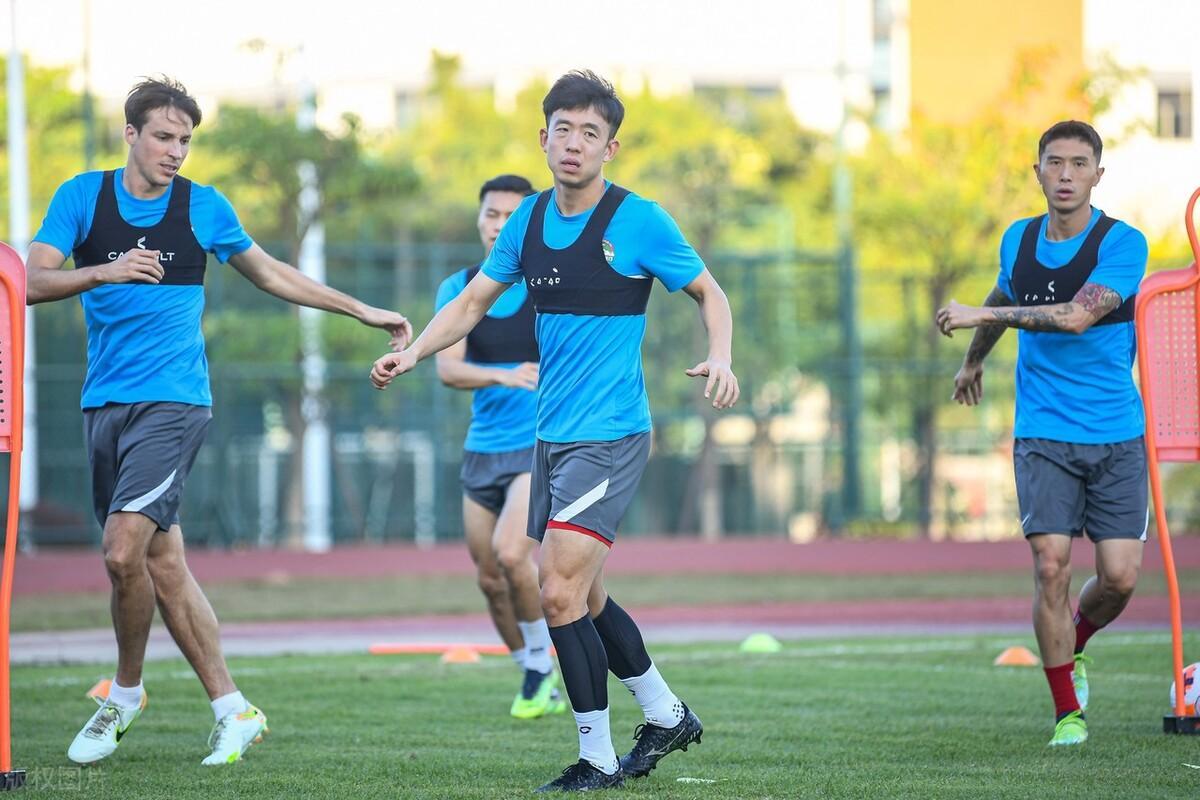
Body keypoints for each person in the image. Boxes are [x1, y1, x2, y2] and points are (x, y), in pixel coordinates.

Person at [26, 77, 412, 766]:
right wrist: (103, 271)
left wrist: (362, 310)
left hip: (175, 403)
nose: (176, 151)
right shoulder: (82, 197)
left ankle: (124, 692)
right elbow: (29, 281)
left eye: (185, 140)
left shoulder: (202, 206)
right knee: (161, 563)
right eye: (164, 137)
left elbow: (273, 274)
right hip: (103, 404)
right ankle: (234, 709)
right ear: (130, 134)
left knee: (121, 551)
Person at [372, 70, 738, 792]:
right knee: (586, 595)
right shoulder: (528, 222)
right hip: (552, 440)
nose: (574, 143)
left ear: (611, 147)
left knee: (557, 591)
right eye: (563, 129)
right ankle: (666, 714)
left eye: (590, 133)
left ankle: (597, 758)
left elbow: (709, 292)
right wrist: (413, 353)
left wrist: (721, 355)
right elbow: (472, 304)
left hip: (611, 436)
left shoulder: (639, 221)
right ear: (544, 138)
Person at [936, 120, 1148, 747]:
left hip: (1116, 433)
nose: (1066, 175)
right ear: (1038, 172)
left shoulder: (1122, 243)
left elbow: (1078, 315)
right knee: (1051, 564)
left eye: (1079, 164)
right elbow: (1007, 290)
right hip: (1042, 432)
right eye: (1054, 163)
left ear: (1098, 175)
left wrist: (982, 314)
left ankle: (1074, 641)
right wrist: (974, 358)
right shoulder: (1019, 239)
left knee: (1119, 578)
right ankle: (1067, 715)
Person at [433, 174, 565, 719]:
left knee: (513, 555)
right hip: (482, 449)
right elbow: (448, 369)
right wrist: (504, 375)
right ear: (479, 219)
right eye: (492, 214)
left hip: (534, 448)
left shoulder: (549, 287)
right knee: (490, 578)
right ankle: (536, 675)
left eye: (512, 216)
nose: (499, 224)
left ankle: (540, 666)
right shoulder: (459, 288)